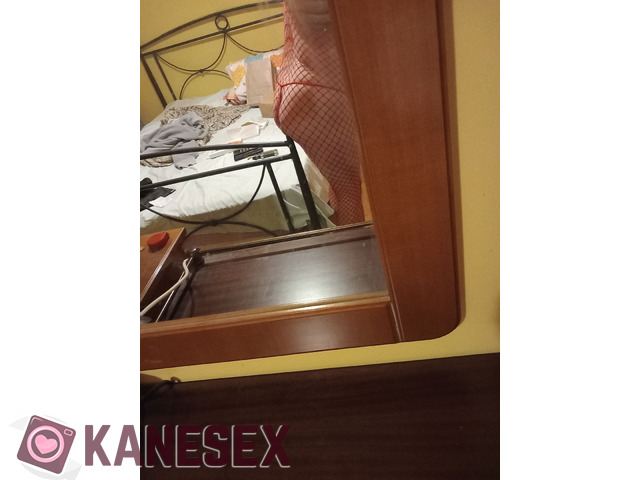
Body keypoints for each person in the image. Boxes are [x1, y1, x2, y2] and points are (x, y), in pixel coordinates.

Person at [273, 0, 364, 225]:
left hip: (294, 86)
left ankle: (342, 237)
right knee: (349, 189)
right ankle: (354, 245)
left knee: (340, 184)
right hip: (320, 93)